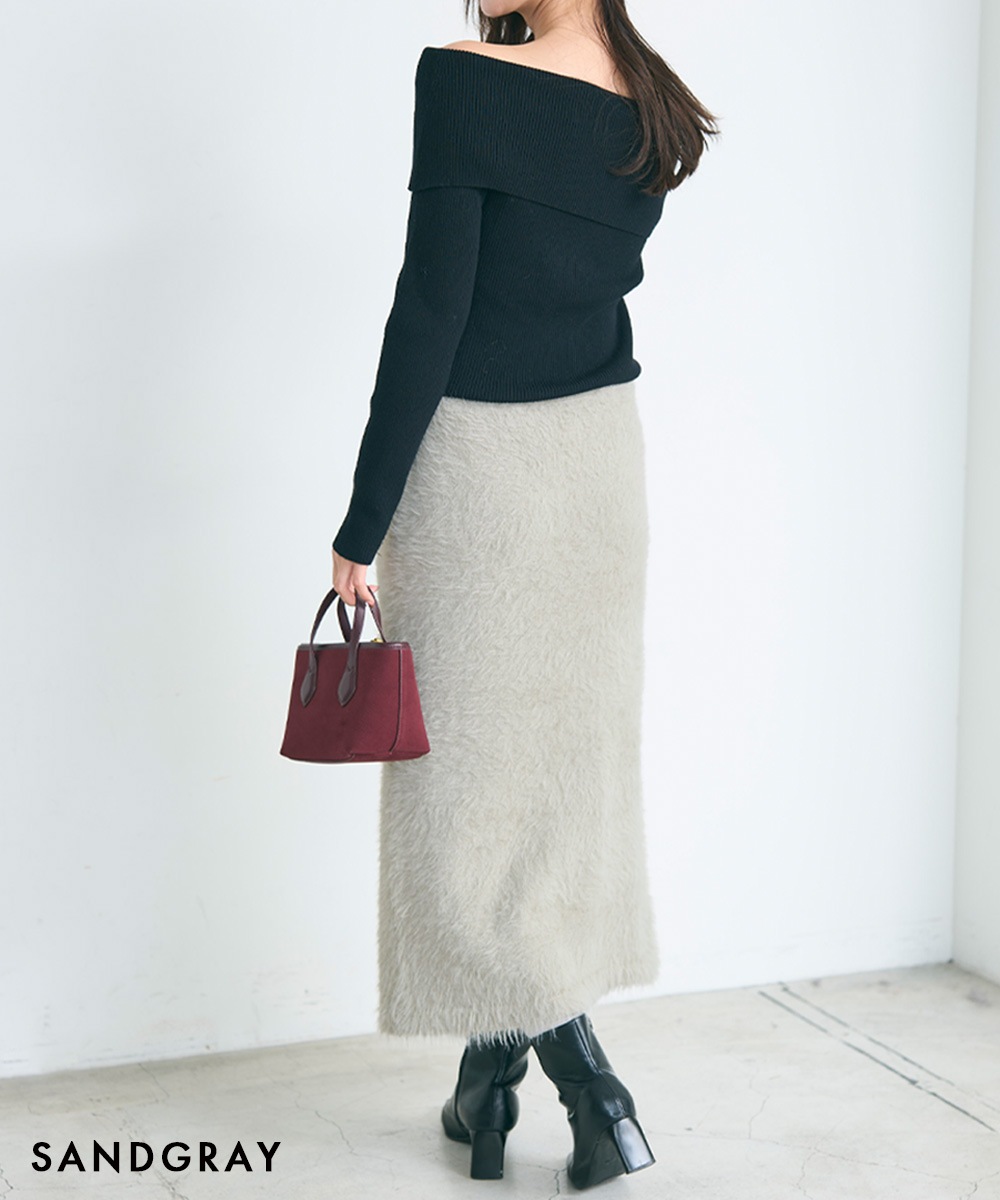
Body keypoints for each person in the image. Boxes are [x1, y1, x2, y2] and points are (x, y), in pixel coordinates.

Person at [329, 0, 718, 1187]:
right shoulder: (651, 99)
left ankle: (592, 1089)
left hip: (481, 475)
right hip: (599, 466)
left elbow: (432, 307)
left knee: (463, 802)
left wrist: (362, 521)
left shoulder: (466, 79)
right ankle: (482, 1085)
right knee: (553, 792)